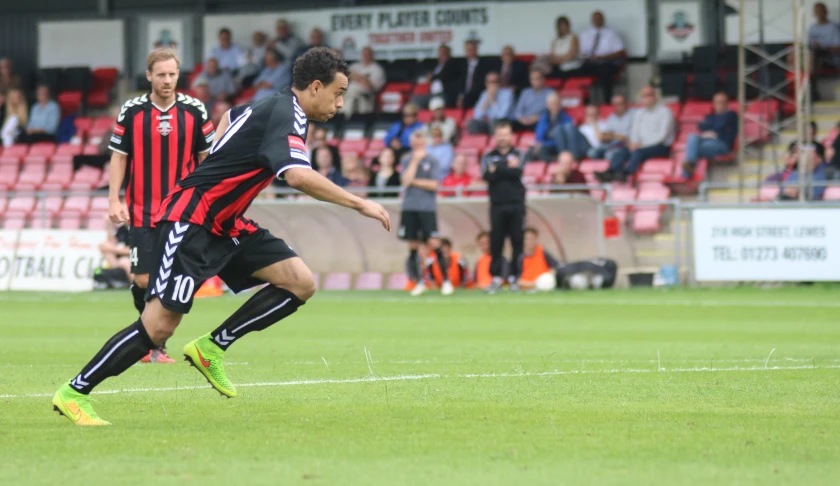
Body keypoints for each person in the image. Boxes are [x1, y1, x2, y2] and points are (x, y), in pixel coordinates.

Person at [52, 47, 391, 426]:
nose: (341, 103)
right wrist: (360, 203)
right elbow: (296, 175)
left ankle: (212, 346)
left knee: (300, 282)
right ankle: (74, 392)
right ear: (315, 87)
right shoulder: (286, 114)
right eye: (338, 92)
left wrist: (226, 162)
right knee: (159, 326)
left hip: (226, 222)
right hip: (191, 220)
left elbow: (232, 116)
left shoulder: (272, 105)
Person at [105, 48, 216, 365]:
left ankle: (156, 346)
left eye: (173, 74)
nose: (168, 80)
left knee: (168, 281)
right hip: (142, 209)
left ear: (178, 75)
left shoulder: (195, 111)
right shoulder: (132, 110)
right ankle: (147, 339)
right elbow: (119, 156)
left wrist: (206, 200)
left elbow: (206, 160)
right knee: (142, 279)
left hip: (181, 212)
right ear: (149, 75)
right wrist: (114, 198)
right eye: (162, 74)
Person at [399, 130, 451, 297]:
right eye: (415, 142)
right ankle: (419, 282)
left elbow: (434, 185)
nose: (418, 145)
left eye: (421, 142)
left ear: (425, 143)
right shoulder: (407, 160)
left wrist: (414, 181)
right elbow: (405, 181)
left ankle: (445, 281)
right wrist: (415, 162)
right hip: (409, 207)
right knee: (413, 245)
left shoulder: (433, 160)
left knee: (434, 243)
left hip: (427, 208)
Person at [481, 121, 526, 294]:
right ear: (495, 137)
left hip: (516, 205)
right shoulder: (488, 156)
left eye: (505, 134)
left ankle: (515, 277)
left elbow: (517, 172)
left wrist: (497, 170)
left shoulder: (519, 154)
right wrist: (507, 168)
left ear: (511, 136)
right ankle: (496, 278)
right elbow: (487, 176)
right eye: (499, 134)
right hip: (497, 206)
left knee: (517, 241)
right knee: (496, 243)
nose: (502, 138)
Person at [596, 86, 674, 183]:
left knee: (637, 152)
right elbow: (634, 132)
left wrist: (641, 145)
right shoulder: (639, 113)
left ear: (655, 96)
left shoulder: (665, 112)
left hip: (660, 146)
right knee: (622, 151)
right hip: (640, 145)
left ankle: (627, 173)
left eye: (648, 95)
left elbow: (662, 136)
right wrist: (633, 143)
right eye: (643, 96)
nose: (645, 98)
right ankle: (610, 172)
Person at [682, 92, 738, 177]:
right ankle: (688, 169)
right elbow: (701, 126)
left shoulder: (731, 115)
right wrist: (712, 131)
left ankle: (686, 175)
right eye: (717, 102)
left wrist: (711, 130)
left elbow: (718, 126)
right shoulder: (710, 116)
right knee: (692, 137)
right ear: (713, 104)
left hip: (722, 144)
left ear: (727, 103)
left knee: (691, 150)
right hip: (707, 141)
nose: (719, 105)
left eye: (722, 102)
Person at [577, 11, 626, 101]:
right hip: (591, 63)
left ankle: (607, 101)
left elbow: (620, 51)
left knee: (605, 73)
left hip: (607, 62)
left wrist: (602, 57)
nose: (597, 21)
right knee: (579, 72)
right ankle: (584, 101)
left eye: (599, 19)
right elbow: (581, 52)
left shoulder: (611, 33)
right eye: (595, 19)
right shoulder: (585, 34)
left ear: (603, 20)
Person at [587, 94, 634, 164]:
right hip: (610, 144)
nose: (619, 106)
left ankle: (610, 173)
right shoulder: (611, 117)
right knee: (592, 153)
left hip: (623, 145)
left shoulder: (633, 114)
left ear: (626, 103)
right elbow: (604, 136)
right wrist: (616, 136)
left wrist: (613, 135)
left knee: (609, 155)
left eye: (621, 103)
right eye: (616, 104)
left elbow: (625, 137)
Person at [532, 93, 577, 162]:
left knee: (543, 149)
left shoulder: (567, 118)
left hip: (559, 146)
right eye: (552, 104)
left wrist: (544, 144)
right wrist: (538, 144)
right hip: (546, 145)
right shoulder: (543, 118)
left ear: (560, 105)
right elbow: (539, 136)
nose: (554, 106)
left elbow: (565, 139)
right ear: (547, 105)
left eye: (556, 104)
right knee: (532, 150)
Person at [343, 47, 386, 118]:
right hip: (350, 94)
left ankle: (347, 118)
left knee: (353, 89)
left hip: (367, 95)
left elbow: (370, 86)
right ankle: (344, 120)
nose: (366, 56)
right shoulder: (355, 66)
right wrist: (363, 78)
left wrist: (356, 77)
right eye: (364, 54)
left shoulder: (377, 69)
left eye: (368, 54)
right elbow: (345, 77)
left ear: (372, 55)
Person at [459, 40, 493, 109]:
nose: (470, 51)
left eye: (472, 49)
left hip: (480, 95)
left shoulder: (485, 64)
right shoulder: (461, 65)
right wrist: (460, 96)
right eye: (467, 49)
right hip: (465, 96)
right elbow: (459, 83)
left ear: (476, 50)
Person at [808, 3, 840, 69]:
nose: (819, 13)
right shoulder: (812, 28)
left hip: (830, 56)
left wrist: (823, 47)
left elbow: (838, 48)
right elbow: (808, 45)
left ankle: (813, 77)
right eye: (817, 11)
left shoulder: (833, 27)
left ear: (826, 11)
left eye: (821, 11)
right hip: (814, 54)